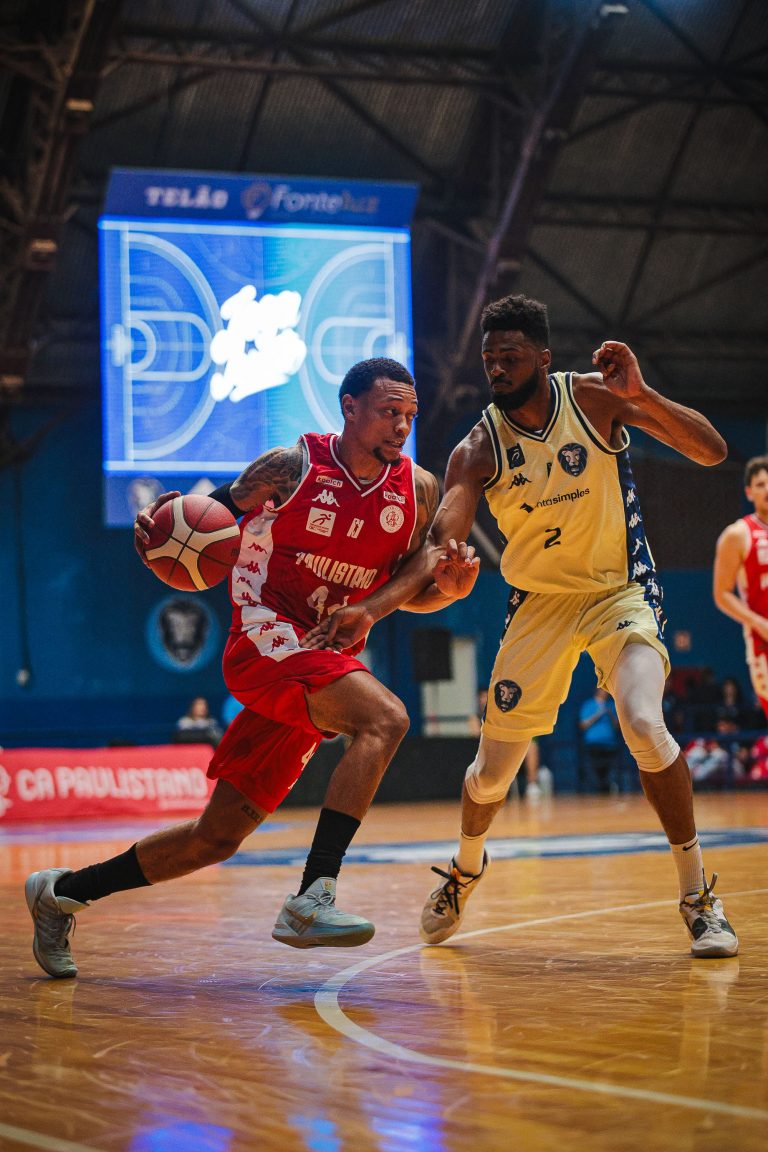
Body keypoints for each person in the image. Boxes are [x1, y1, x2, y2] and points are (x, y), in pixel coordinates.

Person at [305, 293, 739, 960]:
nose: (497, 369)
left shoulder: (594, 398)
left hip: (619, 590)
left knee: (644, 723)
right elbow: (438, 549)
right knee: (488, 777)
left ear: (543, 358)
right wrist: (377, 606)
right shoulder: (477, 448)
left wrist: (644, 395)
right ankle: (465, 867)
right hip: (538, 605)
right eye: (489, 359)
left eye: (510, 357)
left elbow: (712, 452)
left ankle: (698, 897)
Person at [24, 358, 478, 978]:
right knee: (387, 719)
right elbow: (204, 521)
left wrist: (448, 590)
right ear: (349, 408)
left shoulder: (418, 491)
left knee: (215, 838)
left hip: (322, 662)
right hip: (266, 640)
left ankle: (60, 893)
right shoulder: (291, 468)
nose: (401, 426)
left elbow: (415, 588)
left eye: (409, 415)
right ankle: (314, 895)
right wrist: (161, 530)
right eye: (387, 412)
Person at [713, 456, 768, 724]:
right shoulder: (737, 534)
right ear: (749, 492)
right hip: (763, 642)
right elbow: (722, 593)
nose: (767, 489)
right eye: (760, 484)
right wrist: (758, 623)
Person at [578, 686, 621, 793]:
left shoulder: (611, 705)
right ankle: (597, 792)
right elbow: (583, 725)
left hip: (610, 744)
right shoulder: (588, 705)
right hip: (594, 744)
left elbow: (617, 726)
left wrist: (610, 714)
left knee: (609, 771)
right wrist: (598, 714)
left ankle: (608, 790)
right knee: (595, 771)